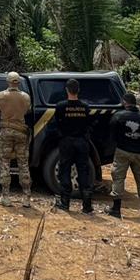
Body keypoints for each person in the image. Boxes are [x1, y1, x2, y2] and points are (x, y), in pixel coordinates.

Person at [108, 91, 140, 219]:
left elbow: (112, 133)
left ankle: (116, 209)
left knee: (118, 177)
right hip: (139, 153)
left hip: (122, 151)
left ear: (124, 102)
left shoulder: (119, 116)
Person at [52, 79, 94, 214]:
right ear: (78, 90)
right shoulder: (85, 107)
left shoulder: (61, 106)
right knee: (83, 171)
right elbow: (89, 125)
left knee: (64, 171)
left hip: (67, 142)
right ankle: (87, 205)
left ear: (66, 90)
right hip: (82, 142)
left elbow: (57, 125)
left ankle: (65, 202)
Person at [0, 72, 32, 206]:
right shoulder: (26, 97)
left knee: (5, 164)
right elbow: (27, 110)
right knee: (23, 164)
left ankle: (6, 197)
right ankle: (26, 198)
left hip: (6, 131)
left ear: (8, 81)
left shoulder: (0, 96)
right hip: (21, 132)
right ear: (19, 83)